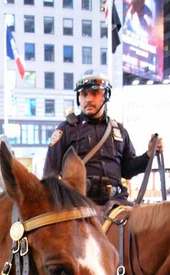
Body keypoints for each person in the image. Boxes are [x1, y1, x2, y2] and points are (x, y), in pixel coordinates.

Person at [43, 70, 164, 206]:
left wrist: (149, 154)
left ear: (106, 96)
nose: (88, 99)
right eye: (84, 94)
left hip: (117, 203)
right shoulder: (65, 130)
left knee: (142, 225)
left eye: (94, 93)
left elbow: (128, 170)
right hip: (80, 205)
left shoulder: (120, 130)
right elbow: (50, 176)